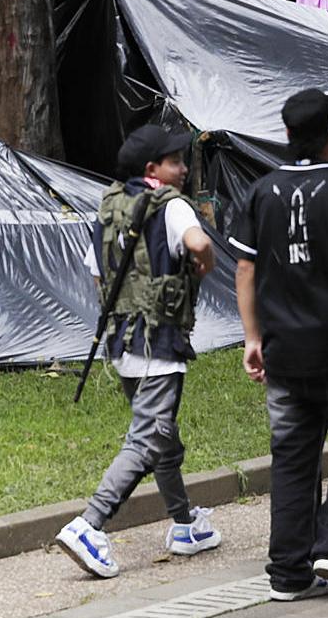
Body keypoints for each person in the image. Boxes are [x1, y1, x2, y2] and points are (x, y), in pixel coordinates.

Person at [230, 90, 328, 601]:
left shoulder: (260, 193)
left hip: (282, 353)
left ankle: (287, 575)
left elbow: (245, 268)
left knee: (293, 457)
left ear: (287, 135)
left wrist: (252, 338)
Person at [56, 125, 221, 579]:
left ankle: (186, 524)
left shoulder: (111, 206)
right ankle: (90, 524)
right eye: (175, 161)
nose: (184, 170)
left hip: (121, 343)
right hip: (160, 344)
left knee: (162, 438)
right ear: (153, 169)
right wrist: (200, 269)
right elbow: (200, 243)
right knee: (149, 437)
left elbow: (97, 274)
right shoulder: (173, 207)